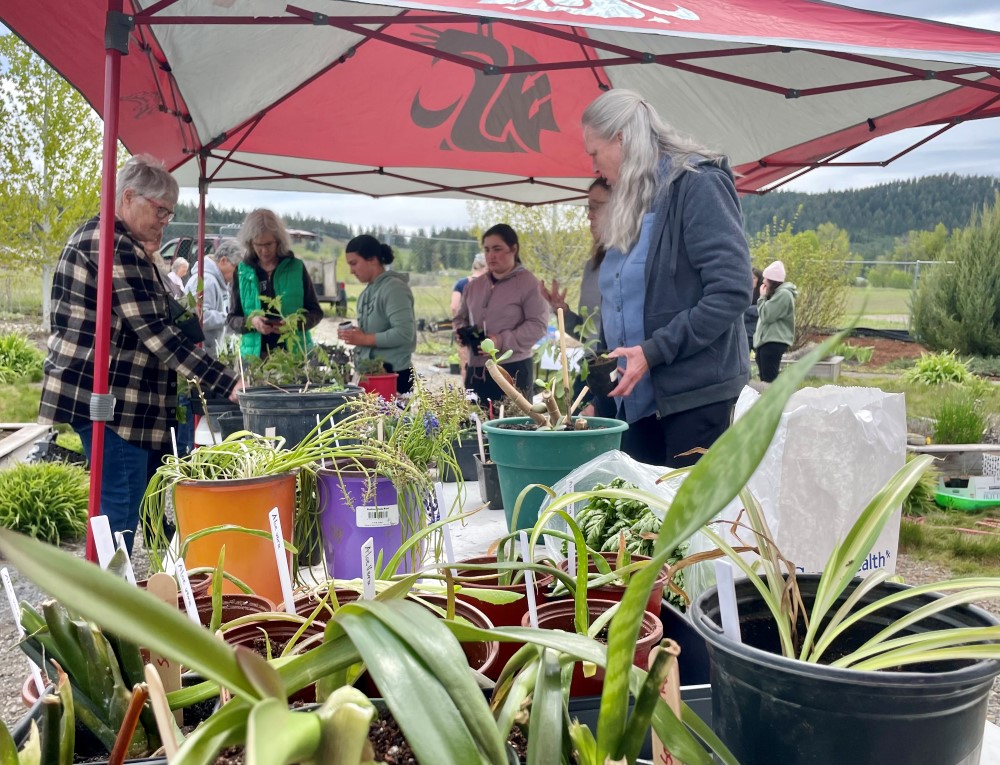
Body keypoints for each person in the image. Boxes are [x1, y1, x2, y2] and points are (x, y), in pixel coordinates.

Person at [38, 154, 242, 551]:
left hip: (118, 399)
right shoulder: (113, 245)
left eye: (170, 213)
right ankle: (112, 606)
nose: (165, 221)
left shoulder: (118, 242)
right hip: (113, 402)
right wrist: (224, 381)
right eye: (160, 210)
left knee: (124, 502)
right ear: (129, 197)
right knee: (121, 505)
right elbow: (155, 332)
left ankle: (120, 594)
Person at [581, 89, 752, 468]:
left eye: (595, 152)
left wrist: (653, 351)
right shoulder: (634, 201)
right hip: (638, 405)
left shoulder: (697, 184)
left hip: (695, 403)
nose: (594, 165)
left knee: (687, 522)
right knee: (645, 524)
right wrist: (601, 393)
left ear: (622, 138)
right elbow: (622, 307)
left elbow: (732, 290)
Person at [540, 177, 614, 417]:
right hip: (589, 370)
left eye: (596, 207)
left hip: (615, 376)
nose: (589, 216)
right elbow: (586, 332)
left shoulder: (632, 264)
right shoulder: (592, 266)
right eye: (588, 207)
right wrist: (563, 312)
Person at [453, 224, 548, 410]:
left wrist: (500, 341)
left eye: (497, 249)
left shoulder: (529, 284)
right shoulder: (474, 286)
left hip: (513, 369)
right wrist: (461, 331)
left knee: (513, 427)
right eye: (487, 250)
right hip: (477, 370)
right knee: (475, 427)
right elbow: (460, 317)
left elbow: (538, 325)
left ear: (514, 249)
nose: (491, 256)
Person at [226, 209, 323, 359]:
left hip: (294, 357)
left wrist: (293, 324)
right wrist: (252, 322)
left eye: (269, 244)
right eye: (259, 245)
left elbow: (316, 312)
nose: (264, 251)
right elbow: (232, 318)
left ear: (279, 241)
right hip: (255, 358)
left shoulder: (296, 268)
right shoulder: (242, 271)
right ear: (250, 243)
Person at [337, 234, 417, 394]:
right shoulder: (370, 290)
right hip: (372, 374)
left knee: (391, 420)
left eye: (354, 263)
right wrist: (356, 335)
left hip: (393, 376)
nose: (351, 271)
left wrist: (364, 339)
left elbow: (404, 333)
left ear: (372, 259)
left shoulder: (394, 288)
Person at [184, 239, 244, 357]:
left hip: (208, 351)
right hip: (200, 352)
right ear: (223, 261)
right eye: (237, 268)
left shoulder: (218, 281)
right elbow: (199, 316)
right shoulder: (207, 281)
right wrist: (229, 319)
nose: (239, 274)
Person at [753, 260, 797, 383]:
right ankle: (767, 400)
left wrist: (762, 297)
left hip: (774, 341)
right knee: (764, 377)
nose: (763, 281)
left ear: (772, 281)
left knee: (769, 379)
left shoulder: (784, 295)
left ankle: (774, 401)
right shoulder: (776, 294)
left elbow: (766, 315)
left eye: (766, 279)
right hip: (766, 341)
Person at [451, 253, 488, 381]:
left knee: (466, 364)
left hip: (465, 330)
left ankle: (468, 393)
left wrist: (460, 326)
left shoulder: (461, 284)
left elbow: (454, 306)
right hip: (484, 330)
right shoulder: (488, 284)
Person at [744, 266, 764, 354]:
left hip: (758, 333)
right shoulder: (745, 292)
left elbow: (762, 309)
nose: (752, 280)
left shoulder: (763, 293)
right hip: (746, 333)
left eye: (754, 278)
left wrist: (746, 311)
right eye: (750, 277)